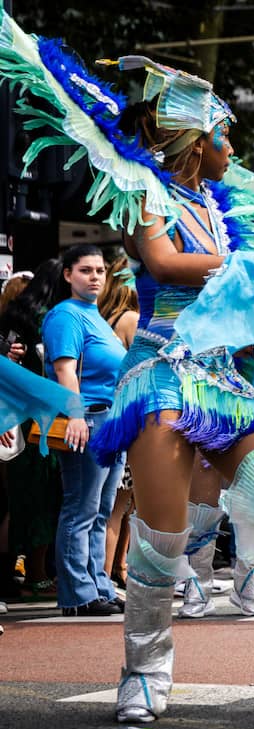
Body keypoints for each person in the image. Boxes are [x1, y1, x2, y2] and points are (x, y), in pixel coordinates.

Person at [0, 29, 254, 723]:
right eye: (227, 136)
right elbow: (163, 265)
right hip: (164, 373)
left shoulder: (223, 215)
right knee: (162, 537)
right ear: (198, 142)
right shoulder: (148, 193)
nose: (235, 150)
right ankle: (143, 671)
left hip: (223, 380)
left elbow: (247, 296)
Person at [42, 244, 127, 616]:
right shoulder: (66, 315)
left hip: (110, 421)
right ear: (67, 275)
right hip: (87, 420)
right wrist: (75, 416)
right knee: (81, 507)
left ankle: (99, 586)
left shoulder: (95, 316)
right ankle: (78, 594)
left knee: (102, 509)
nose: (95, 277)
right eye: (86, 270)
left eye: (100, 271)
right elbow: (64, 371)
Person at [0, 261, 65, 602]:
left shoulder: (32, 323)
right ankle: (22, 574)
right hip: (26, 424)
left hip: (37, 421)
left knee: (36, 500)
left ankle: (30, 572)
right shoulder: (28, 325)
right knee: (26, 501)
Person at [97, 256, 139, 589]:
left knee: (110, 507)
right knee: (118, 508)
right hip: (127, 421)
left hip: (109, 418)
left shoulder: (104, 318)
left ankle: (110, 572)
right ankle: (108, 575)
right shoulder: (131, 320)